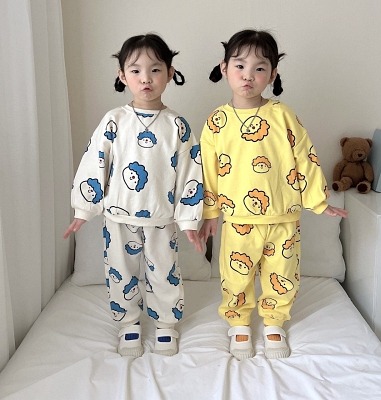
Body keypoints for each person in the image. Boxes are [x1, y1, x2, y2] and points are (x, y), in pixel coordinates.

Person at [199, 29, 348, 360]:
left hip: (283, 217)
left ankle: (274, 322)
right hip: (237, 219)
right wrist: (210, 214)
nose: (248, 76)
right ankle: (239, 324)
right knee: (235, 274)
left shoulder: (283, 115)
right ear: (224, 68)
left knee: (282, 273)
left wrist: (318, 201)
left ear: (272, 74)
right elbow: (208, 172)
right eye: (240, 66)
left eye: (259, 68)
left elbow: (305, 157)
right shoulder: (216, 122)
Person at [64, 34, 203, 359]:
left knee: (164, 271)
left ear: (170, 74)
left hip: (162, 219)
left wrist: (188, 220)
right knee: (120, 271)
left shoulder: (178, 125)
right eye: (136, 70)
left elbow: (191, 174)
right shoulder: (114, 121)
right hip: (118, 217)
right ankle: (128, 323)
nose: (146, 78)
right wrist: (83, 210)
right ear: (122, 75)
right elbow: (95, 162)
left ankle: (166, 324)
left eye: (155, 70)